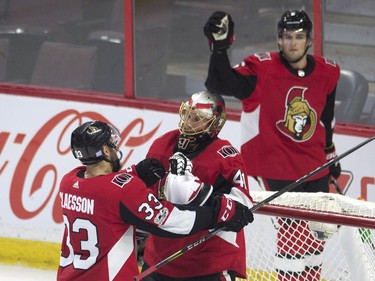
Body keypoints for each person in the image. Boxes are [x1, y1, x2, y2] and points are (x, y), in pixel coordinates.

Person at [203, 10, 342, 281]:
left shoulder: (328, 71)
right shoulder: (262, 69)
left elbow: (326, 119)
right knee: (292, 235)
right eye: (287, 36)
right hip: (274, 165)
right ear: (279, 39)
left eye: (299, 37)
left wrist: (331, 156)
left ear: (310, 40)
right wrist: (219, 49)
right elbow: (219, 83)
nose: (293, 43)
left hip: (314, 166)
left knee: (316, 237)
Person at [57, 120, 253, 281]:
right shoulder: (122, 190)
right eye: (112, 144)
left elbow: (105, 191)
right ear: (106, 152)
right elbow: (171, 222)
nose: (116, 148)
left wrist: (136, 173)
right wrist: (217, 214)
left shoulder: (68, 182)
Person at [140, 90, 253, 280]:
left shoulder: (226, 157)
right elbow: (146, 198)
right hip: (159, 258)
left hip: (208, 264)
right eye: (187, 115)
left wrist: (202, 195)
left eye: (198, 118)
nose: (188, 122)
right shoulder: (162, 145)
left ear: (215, 124)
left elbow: (243, 210)